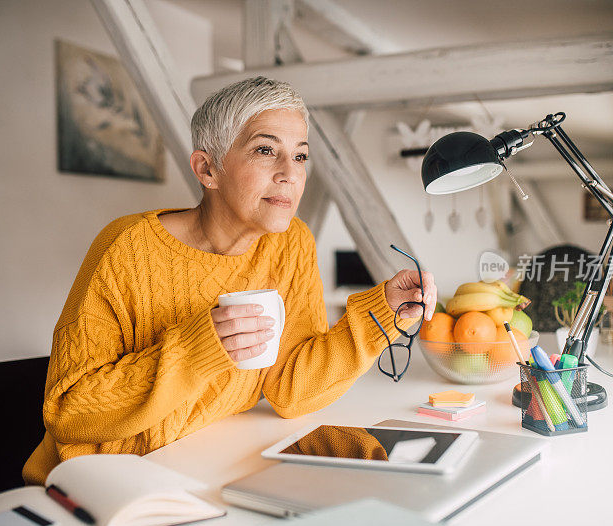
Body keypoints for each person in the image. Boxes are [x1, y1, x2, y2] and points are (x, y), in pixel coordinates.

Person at [22, 76, 436, 485]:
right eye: (265, 150)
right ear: (207, 169)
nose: (290, 174)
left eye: (300, 156)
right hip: (102, 483)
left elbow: (293, 391)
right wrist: (198, 349)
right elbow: (68, 414)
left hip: (209, 465)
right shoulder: (126, 249)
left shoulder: (291, 243)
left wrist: (384, 312)